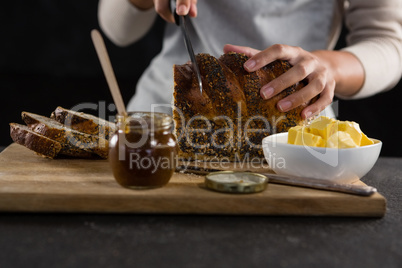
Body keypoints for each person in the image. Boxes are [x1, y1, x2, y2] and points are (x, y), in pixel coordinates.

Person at [98, 0, 402, 119]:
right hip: (163, 116)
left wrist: (326, 66)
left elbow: (389, 44)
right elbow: (117, 31)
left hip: (293, 134)